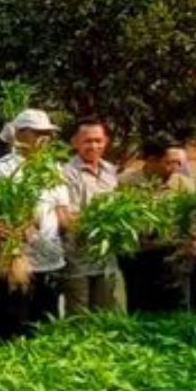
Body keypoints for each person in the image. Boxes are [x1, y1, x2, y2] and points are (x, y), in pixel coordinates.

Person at [0, 109, 70, 340]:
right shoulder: (4, 167)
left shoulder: (53, 166)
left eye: (48, 134)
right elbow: (0, 213)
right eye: (39, 133)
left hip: (50, 258)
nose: (46, 139)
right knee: (13, 328)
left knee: (46, 327)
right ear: (21, 134)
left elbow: (62, 210)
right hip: (19, 261)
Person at [118, 135, 196, 313]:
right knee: (141, 308)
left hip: (173, 258)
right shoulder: (125, 183)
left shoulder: (184, 185)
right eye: (169, 162)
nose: (176, 168)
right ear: (151, 160)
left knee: (175, 310)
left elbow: (193, 220)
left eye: (179, 163)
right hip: (139, 258)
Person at [59, 118, 124, 313]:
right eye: (87, 141)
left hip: (106, 258)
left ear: (106, 142)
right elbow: (69, 217)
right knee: (79, 316)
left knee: (104, 314)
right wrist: (101, 223)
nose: (93, 146)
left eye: (98, 140)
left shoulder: (110, 171)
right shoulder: (66, 173)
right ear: (75, 142)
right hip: (77, 257)